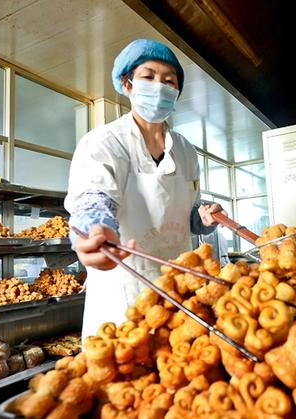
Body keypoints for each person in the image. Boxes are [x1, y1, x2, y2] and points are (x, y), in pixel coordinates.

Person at [65, 39, 224, 339]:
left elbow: (186, 211)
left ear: (176, 93)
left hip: (180, 292)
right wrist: (95, 229)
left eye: (169, 81)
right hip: (123, 294)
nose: (160, 86)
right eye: (148, 77)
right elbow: (93, 201)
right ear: (127, 84)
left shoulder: (187, 151)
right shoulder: (104, 143)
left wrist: (202, 217)